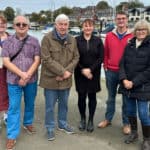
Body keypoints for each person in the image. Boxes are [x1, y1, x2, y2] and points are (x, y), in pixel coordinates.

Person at [2, 15, 40, 150]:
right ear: (14, 25)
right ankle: (12, 136)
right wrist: (22, 74)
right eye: (18, 24)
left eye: (24, 24)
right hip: (13, 80)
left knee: (30, 103)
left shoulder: (35, 41)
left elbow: (37, 60)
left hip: (32, 80)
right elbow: (6, 61)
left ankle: (28, 122)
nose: (21, 26)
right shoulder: (7, 42)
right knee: (14, 107)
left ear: (28, 26)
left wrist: (27, 75)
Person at [39, 14, 79, 141]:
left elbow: (76, 57)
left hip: (66, 80)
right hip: (50, 79)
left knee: (64, 104)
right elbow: (46, 59)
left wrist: (66, 73)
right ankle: (50, 128)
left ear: (68, 25)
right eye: (60, 24)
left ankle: (62, 124)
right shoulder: (47, 38)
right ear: (56, 25)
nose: (63, 27)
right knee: (50, 106)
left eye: (65, 24)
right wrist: (62, 72)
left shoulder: (72, 39)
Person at [97, 11, 133, 135]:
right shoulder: (109, 35)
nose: (121, 21)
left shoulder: (132, 36)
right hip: (111, 71)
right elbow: (105, 52)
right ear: (115, 20)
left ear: (127, 20)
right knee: (110, 98)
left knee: (126, 100)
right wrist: (105, 66)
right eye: (119, 19)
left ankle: (126, 123)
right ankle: (108, 119)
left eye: (123, 18)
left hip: (126, 74)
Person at [119, 20, 150, 150]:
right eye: (138, 29)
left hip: (142, 87)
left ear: (148, 31)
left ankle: (147, 139)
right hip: (127, 86)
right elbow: (122, 64)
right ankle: (134, 133)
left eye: (143, 29)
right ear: (135, 31)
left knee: (143, 114)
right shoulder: (129, 45)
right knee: (130, 111)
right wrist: (124, 79)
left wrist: (133, 82)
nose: (141, 32)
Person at [74, 19, 104, 132]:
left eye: (90, 26)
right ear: (82, 27)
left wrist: (90, 70)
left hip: (94, 73)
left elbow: (101, 58)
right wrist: (83, 70)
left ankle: (91, 120)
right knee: (81, 97)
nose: (88, 28)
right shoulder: (76, 40)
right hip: (80, 73)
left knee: (92, 97)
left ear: (93, 27)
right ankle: (83, 118)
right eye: (85, 26)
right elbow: (74, 57)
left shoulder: (98, 41)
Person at [0, 15, 9, 129]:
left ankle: (6, 114)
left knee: (7, 91)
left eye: (3, 23)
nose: (1, 25)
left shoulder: (11, 37)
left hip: (9, 69)